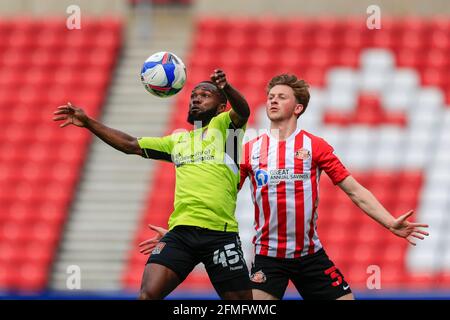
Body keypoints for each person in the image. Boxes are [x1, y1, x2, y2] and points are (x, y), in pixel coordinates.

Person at [139, 73, 429, 300]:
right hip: (268, 258)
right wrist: (184, 231)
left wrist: (390, 222)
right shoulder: (249, 149)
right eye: (270, 96)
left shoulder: (315, 146)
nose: (273, 101)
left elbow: (354, 190)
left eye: (281, 97)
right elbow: (221, 193)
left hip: (310, 255)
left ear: (298, 107)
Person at [53, 69, 252, 300]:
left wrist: (226, 87)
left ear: (221, 106)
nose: (196, 98)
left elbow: (243, 110)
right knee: (147, 296)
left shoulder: (227, 131)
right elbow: (131, 145)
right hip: (181, 234)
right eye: (193, 95)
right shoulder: (178, 141)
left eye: (205, 95)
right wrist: (88, 122)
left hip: (220, 233)